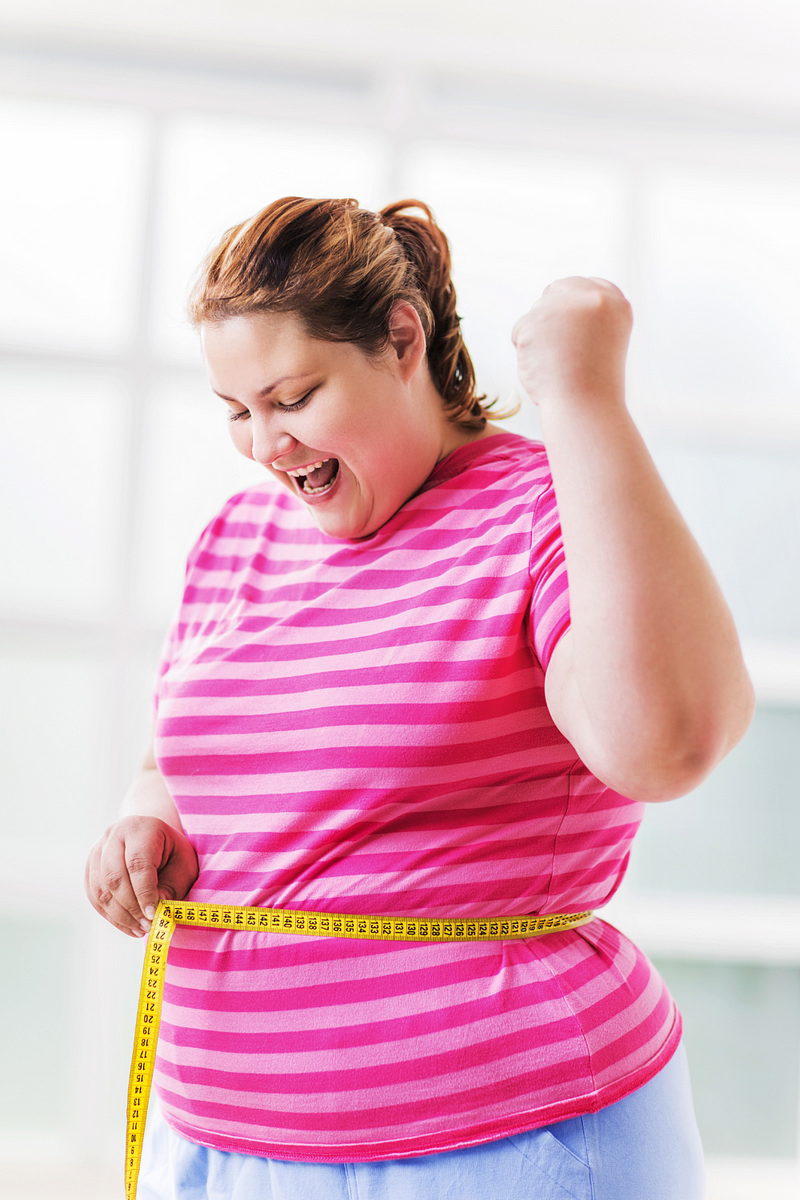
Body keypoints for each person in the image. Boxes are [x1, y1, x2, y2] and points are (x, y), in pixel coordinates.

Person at [85, 196, 754, 1200]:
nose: (264, 446)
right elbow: (176, 763)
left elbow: (660, 742)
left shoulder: (545, 509)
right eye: (235, 411)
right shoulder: (233, 542)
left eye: (292, 396)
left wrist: (584, 401)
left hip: (504, 1137)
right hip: (228, 1143)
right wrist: (145, 823)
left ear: (402, 338)